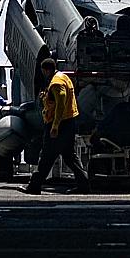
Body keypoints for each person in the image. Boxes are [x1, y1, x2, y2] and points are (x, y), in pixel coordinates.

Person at [25, 58, 90, 195]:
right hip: (70, 122)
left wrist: (55, 126)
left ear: (46, 70)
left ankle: (34, 186)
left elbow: (60, 102)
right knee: (69, 156)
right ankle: (84, 184)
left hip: (59, 124)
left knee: (47, 156)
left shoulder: (56, 83)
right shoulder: (64, 77)